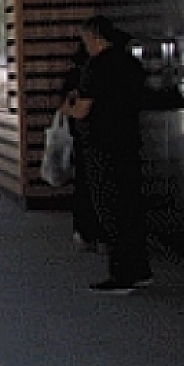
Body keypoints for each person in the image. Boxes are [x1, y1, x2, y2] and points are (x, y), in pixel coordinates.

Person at [62, 15, 150, 295]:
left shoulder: (96, 66)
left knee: (111, 210)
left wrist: (68, 108)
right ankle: (139, 269)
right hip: (129, 143)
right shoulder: (130, 63)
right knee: (131, 207)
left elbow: (82, 110)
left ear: (94, 36)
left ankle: (122, 274)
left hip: (102, 145)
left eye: (85, 38)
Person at [60, 40, 104, 252]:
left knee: (84, 186)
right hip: (107, 139)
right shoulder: (107, 73)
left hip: (82, 137)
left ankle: (86, 232)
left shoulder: (76, 77)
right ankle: (103, 234)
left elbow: (72, 109)